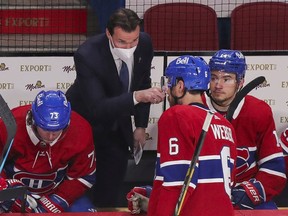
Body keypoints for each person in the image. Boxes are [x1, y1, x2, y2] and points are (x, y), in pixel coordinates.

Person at [65, 8, 165, 207]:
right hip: (83, 123)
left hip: (117, 122)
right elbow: (97, 108)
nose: (129, 47)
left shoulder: (144, 44)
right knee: (82, 188)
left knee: (112, 183)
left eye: (133, 41)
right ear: (109, 34)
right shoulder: (87, 54)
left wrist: (140, 126)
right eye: (122, 42)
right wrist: (137, 96)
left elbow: (143, 81)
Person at [128, 55, 238, 215]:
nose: (166, 90)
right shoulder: (225, 125)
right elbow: (208, 185)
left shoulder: (177, 115)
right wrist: (151, 203)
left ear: (180, 86)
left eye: (169, 82)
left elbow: (177, 183)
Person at [203, 49, 287, 209]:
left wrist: (249, 193)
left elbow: (274, 168)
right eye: (213, 77)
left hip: (245, 195)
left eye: (226, 79)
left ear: (240, 82)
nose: (218, 85)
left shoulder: (258, 111)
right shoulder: (196, 110)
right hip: (207, 193)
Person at [0, 90, 96, 213]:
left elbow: (84, 176)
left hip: (56, 190)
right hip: (13, 189)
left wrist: (56, 202)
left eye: (57, 130)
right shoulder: (8, 125)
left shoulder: (80, 129)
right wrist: (6, 188)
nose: (51, 137)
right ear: (33, 120)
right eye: (45, 129)